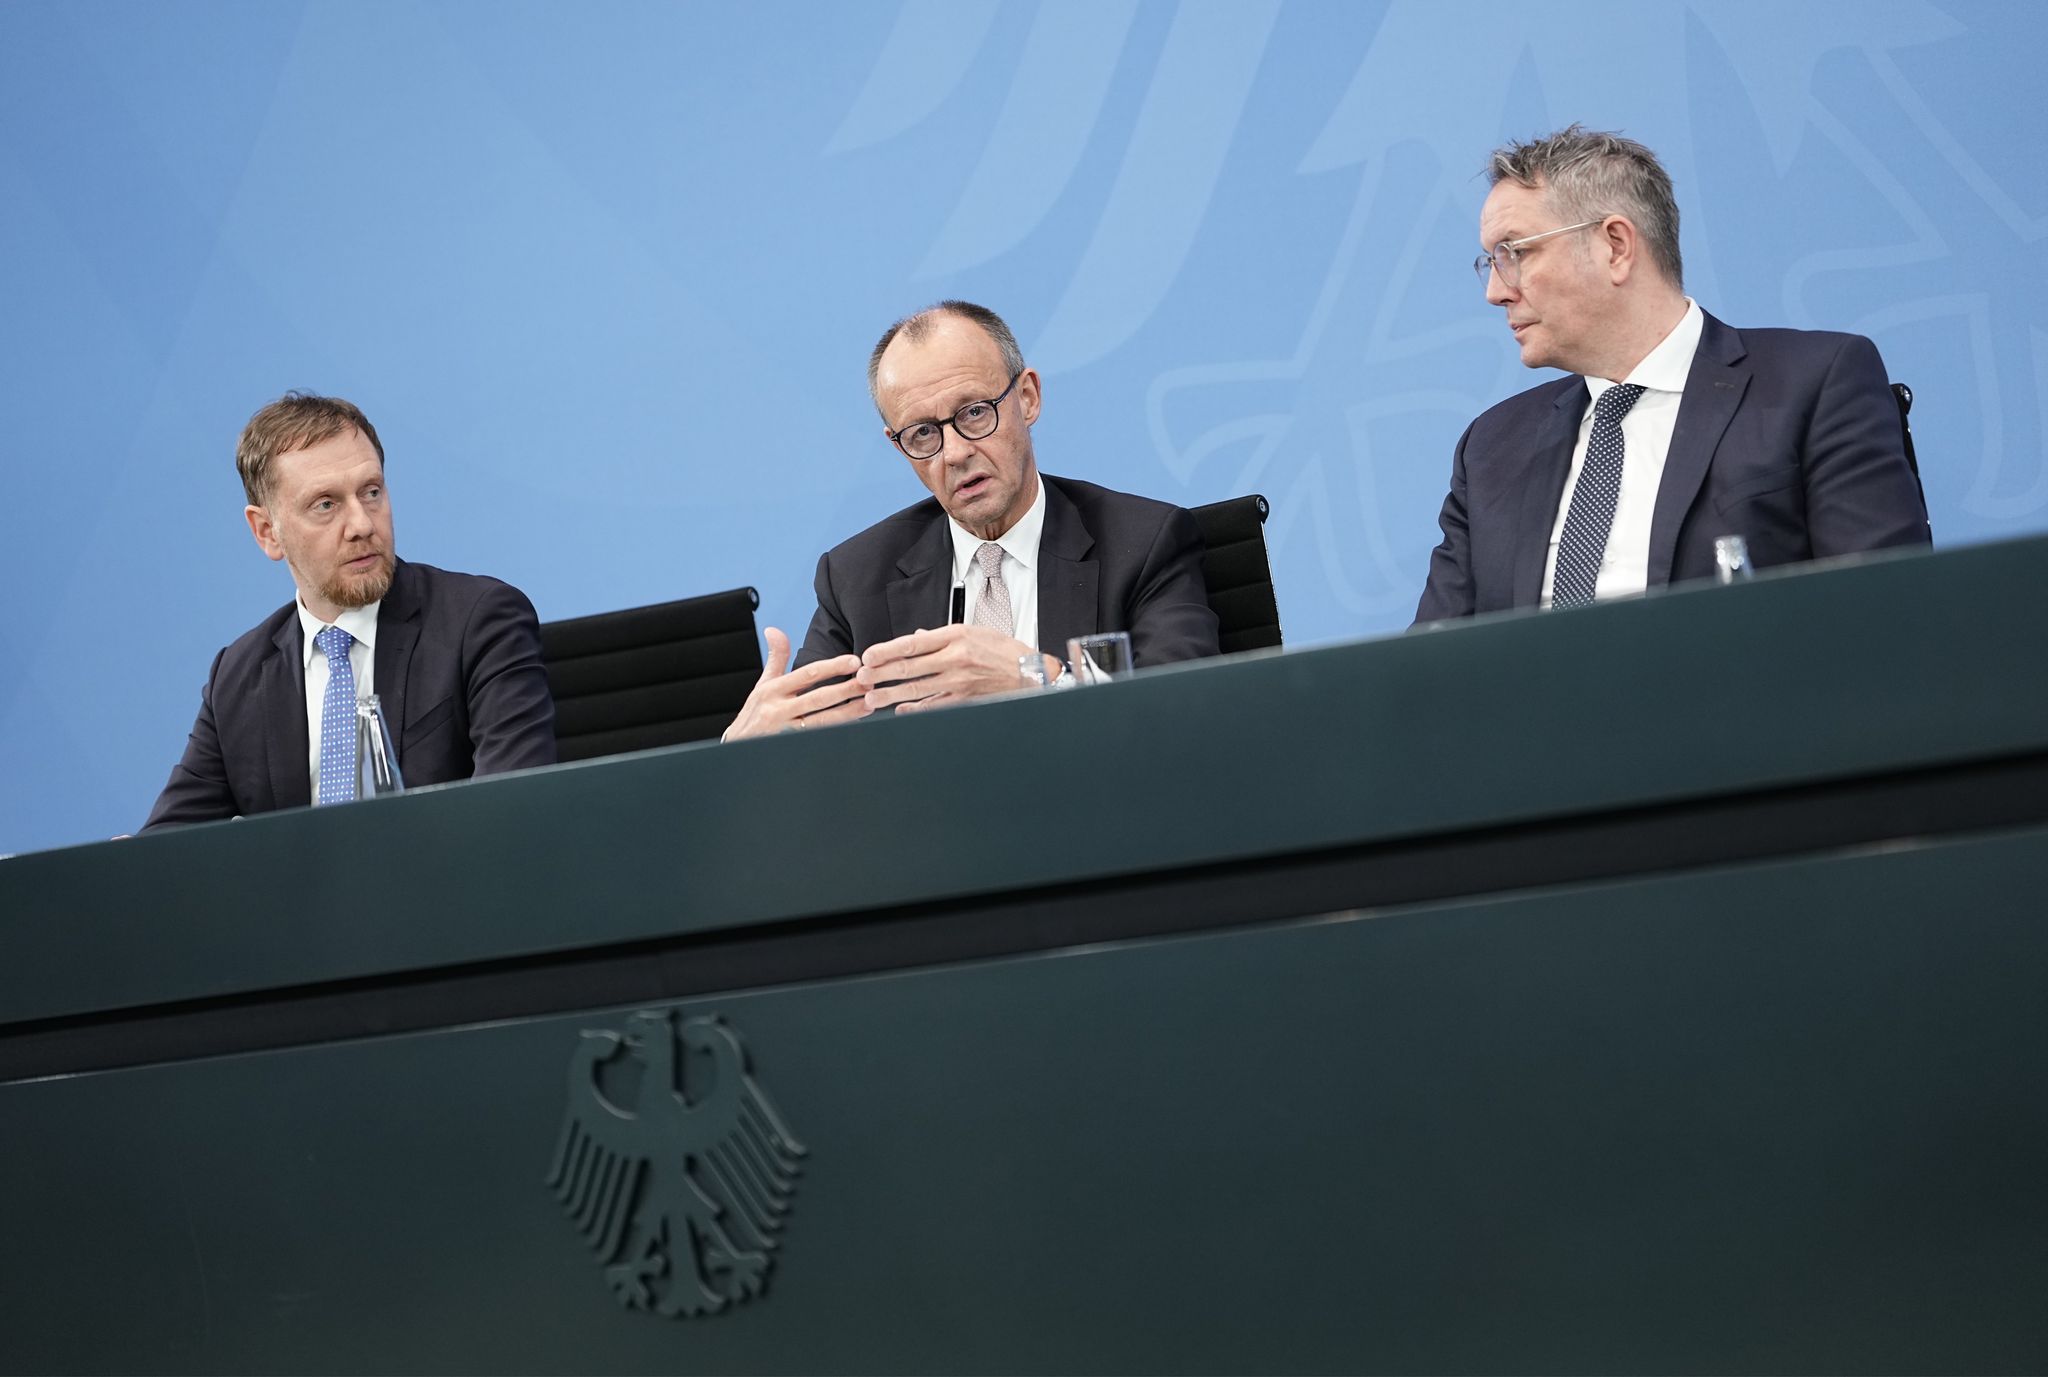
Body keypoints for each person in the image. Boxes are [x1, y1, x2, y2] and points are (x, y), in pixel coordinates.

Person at [1415, 125, 1930, 623]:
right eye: (1491, 261)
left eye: (1516, 253)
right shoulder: (1491, 447)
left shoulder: (1813, 384)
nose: (1497, 291)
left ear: (1615, 246)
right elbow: (1433, 668)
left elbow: (1883, 619)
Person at [722, 301, 1219, 739]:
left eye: (976, 412)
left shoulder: (1144, 542)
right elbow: (812, 757)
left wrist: (1035, 677)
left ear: (1027, 397)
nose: (955, 452)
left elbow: (1186, 717)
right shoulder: (855, 578)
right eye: (921, 434)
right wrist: (750, 755)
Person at [142, 393, 556, 829]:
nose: (361, 525)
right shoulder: (238, 676)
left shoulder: (479, 623)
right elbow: (169, 847)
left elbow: (513, 813)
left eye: (371, 492)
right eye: (326, 504)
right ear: (267, 532)